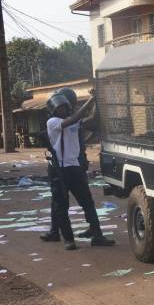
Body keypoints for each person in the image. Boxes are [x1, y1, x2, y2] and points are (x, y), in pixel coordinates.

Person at [40, 92, 114, 249]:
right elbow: (73, 119)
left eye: (64, 107)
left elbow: (91, 120)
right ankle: (69, 240)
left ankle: (97, 236)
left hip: (74, 167)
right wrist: (90, 101)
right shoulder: (52, 122)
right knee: (61, 206)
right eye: (59, 108)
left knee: (88, 203)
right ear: (53, 111)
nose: (63, 110)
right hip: (58, 169)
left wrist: (97, 101)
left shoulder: (73, 121)